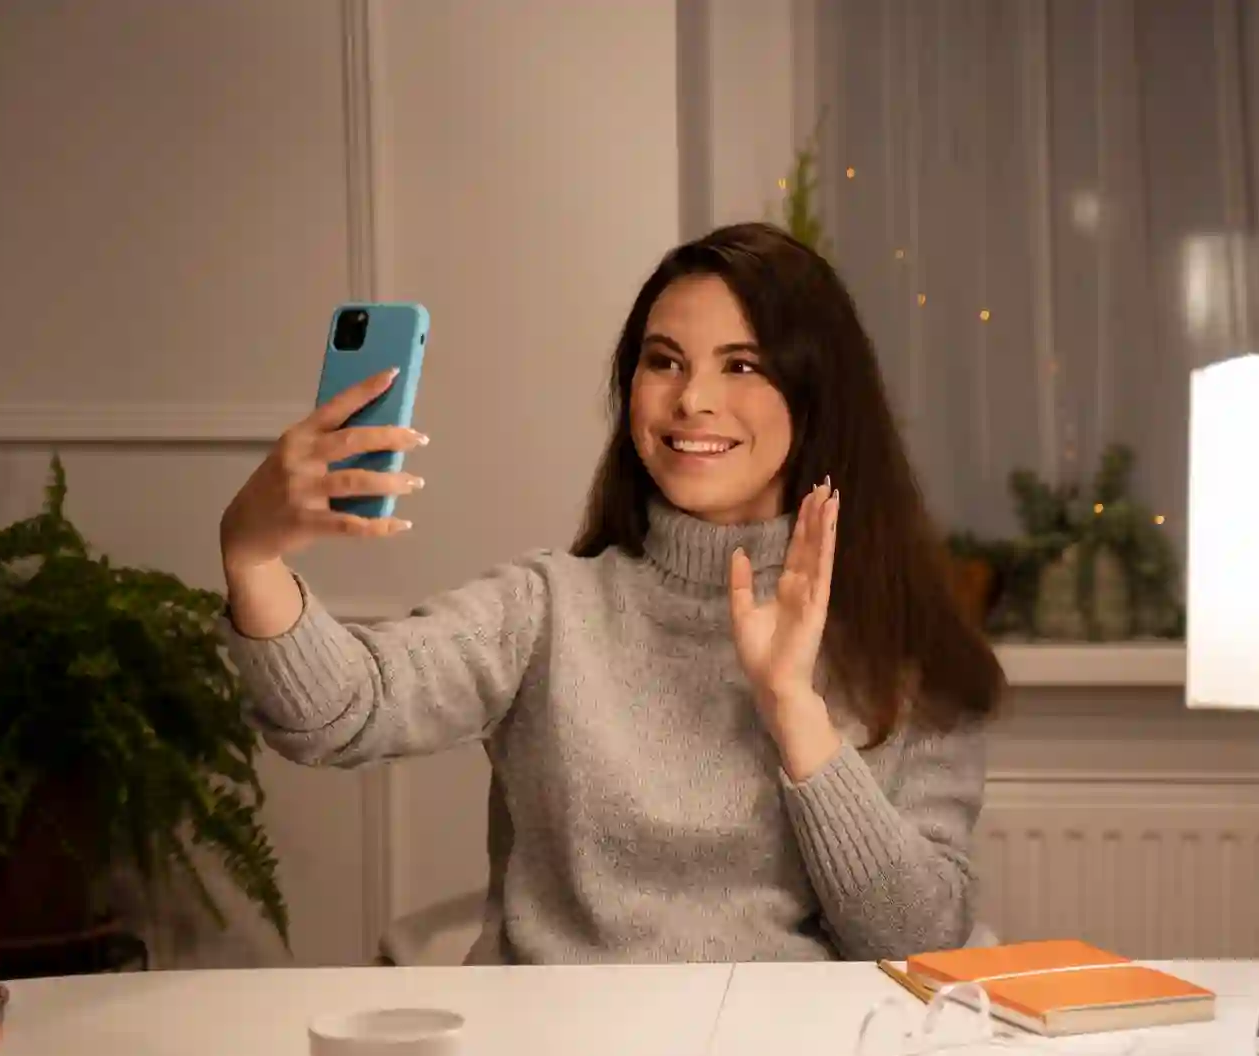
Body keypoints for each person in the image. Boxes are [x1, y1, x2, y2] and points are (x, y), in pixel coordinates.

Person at [216, 222, 1006, 965]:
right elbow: (339, 711)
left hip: (779, 1054)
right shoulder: (546, 611)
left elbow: (920, 937)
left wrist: (794, 708)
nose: (691, 399)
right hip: (556, 1049)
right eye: (664, 361)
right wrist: (251, 556)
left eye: (741, 365)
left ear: (817, 394)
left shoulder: (911, 655)